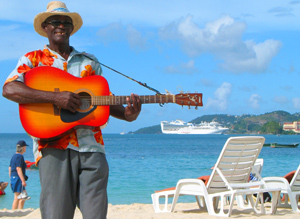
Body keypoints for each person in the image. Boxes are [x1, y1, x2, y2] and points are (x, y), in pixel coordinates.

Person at [2, 1, 141, 219]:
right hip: (52, 147)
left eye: (66, 22)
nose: (61, 26)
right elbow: (9, 88)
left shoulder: (90, 61)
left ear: (71, 29)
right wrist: (54, 97)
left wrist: (126, 115)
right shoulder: (32, 60)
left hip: (92, 148)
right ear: (45, 28)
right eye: (55, 21)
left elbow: (101, 98)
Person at [9, 140, 31, 209]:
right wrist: (23, 180)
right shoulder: (20, 157)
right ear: (23, 148)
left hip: (13, 177)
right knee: (21, 197)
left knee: (18, 197)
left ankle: (16, 211)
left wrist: (10, 179)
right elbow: (18, 169)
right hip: (18, 178)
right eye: (25, 147)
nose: (25, 148)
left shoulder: (14, 156)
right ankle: (18, 211)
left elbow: (10, 168)